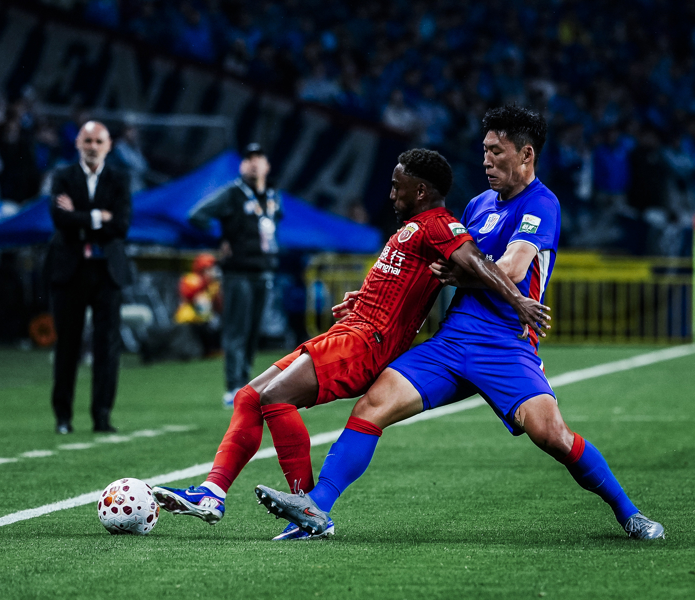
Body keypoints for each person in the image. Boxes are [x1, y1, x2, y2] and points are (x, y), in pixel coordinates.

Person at [255, 106, 665, 541]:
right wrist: (375, 294)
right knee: (372, 406)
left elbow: (511, 269)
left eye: (496, 152)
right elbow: (435, 266)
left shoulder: (542, 203)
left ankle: (629, 513)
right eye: (484, 151)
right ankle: (317, 508)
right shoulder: (477, 205)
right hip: (452, 341)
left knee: (552, 436)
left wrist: (465, 274)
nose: (486, 161)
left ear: (526, 154)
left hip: (504, 345)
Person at [155, 148, 548, 540]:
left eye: (397, 186)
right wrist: (363, 297)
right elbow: (400, 279)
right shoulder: (415, 226)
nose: (391, 194)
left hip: (367, 342)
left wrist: (518, 301)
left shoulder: (440, 225)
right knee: (248, 397)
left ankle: (307, 510)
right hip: (351, 329)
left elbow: (477, 261)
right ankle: (212, 493)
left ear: (421, 191)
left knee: (275, 398)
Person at [47, 121, 132, 434]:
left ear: (108, 146)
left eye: (98, 141)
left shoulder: (120, 178)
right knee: (67, 344)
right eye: (87, 141)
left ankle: (102, 416)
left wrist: (79, 215)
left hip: (107, 271)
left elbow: (121, 225)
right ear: (78, 144)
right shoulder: (62, 176)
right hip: (70, 270)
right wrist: (99, 215)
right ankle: (63, 417)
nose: (93, 147)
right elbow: (59, 219)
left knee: (107, 345)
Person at [187, 143, 282, 407]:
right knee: (236, 331)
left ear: (267, 166)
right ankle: (232, 387)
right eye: (248, 159)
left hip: (263, 269)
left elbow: (275, 224)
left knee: (252, 332)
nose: (253, 163)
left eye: (258, 158)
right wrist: (220, 238)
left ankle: (245, 383)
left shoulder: (273, 195)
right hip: (237, 271)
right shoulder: (232, 194)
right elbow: (196, 216)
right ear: (242, 166)